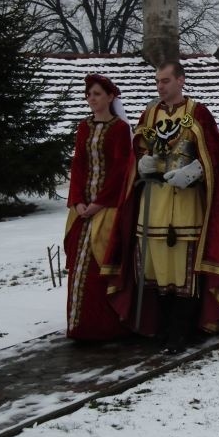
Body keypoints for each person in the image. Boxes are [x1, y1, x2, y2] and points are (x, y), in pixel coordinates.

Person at [103, 61, 219, 353]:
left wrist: (195, 173)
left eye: (165, 80)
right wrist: (141, 160)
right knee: (157, 270)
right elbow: (140, 146)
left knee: (183, 272)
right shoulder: (150, 113)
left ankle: (182, 330)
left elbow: (213, 157)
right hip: (154, 204)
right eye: (157, 81)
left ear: (181, 81)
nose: (160, 86)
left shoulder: (198, 113)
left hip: (186, 206)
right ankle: (162, 327)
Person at [64, 74, 133, 341]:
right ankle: (79, 326)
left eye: (97, 94)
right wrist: (79, 201)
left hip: (108, 208)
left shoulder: (118, 128)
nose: (92, 99)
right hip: (83, 208)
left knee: (100, 264)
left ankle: (105, 326)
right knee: (79, 265)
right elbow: (79, 164)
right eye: (89, 95)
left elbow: (119, 170)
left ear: (110, 97)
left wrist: (98, 203)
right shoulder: (84, 127)